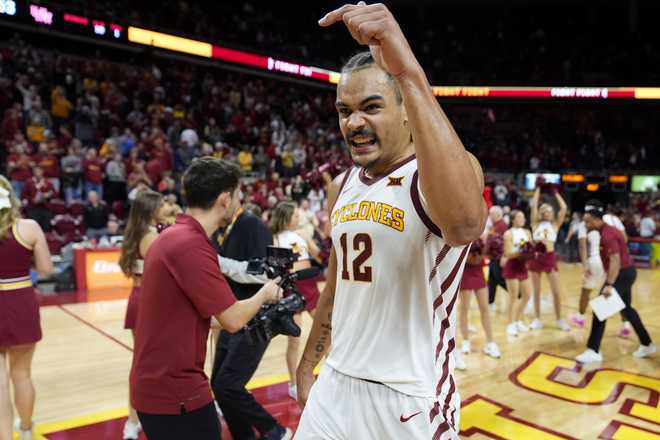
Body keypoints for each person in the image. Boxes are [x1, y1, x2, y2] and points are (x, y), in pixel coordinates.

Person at [296, 4, 487, 439]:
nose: (354, 123)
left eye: (371, 107)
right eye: (345, 111)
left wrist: (410, 74)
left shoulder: (437, 175)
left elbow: (463, 226)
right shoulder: (340, 185)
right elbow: (337, 285)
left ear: (407, 110)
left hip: (408, 399)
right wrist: (310, 363)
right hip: (337, 384)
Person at [129, 158, 283, 440]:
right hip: (176, 392)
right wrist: (266, 294)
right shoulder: (191, 244)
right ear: (225, 199)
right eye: (238, 195)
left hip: (158, 386)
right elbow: (233, 319)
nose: (240, 201)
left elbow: (190, 315)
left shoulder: (173, 236)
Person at [209, 196, 292, 440]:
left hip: (256, 318)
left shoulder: (252, 225)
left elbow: (267, 275)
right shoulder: (223, 230)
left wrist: (218, 263)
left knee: (228, 384)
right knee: (220, 386)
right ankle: (242, 435)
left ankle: (275, 431)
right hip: (232, 315)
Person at [0, 175, 53, 440]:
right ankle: (26, 430)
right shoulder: (29, 228)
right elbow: (46, 269)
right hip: (20, 300)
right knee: (22, 375)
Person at [575, 200, 655, 363]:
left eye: (587, 222)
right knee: (627, 310)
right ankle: (647, 343)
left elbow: (615, 260)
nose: (585, 225)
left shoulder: (607, 235)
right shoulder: (607, 231)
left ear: (597, 220)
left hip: (622, 274)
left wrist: (610, 284)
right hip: (627, 272)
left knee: (600, 310)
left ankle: (593, 350)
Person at [118, 190, 166, 440]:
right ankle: (137, 418)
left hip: (137, 297)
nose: (165, 207)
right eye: (161, 204)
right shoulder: (151, 236)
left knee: (140, 362)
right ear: (150, 209)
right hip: (151, 301)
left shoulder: (134, 233)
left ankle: (133, 419)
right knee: (152, 362)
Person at [269, 201, 321, 400]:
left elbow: (318, 255)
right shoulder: (274, 238)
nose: (298, 218)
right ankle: (293, 383)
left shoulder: (301, 234)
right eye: (295, 215)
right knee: (294, 340)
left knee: (326, 330)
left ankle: (325, 375)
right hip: (291, 288)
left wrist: (310, 238)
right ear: (286, 217)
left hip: (310, 285)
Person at [528, 186, 570, 331]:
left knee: (556, 291)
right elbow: (533, 205)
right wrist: (539, 189)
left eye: (550, 211)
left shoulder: (555, 224)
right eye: (546, 211)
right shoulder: (535, 224)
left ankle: (559, 319)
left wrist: (556, 193)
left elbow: (563, 208)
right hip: (536, 258)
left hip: (550, 258)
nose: (548, 213)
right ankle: (537, 319)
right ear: (542, 212)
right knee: (537, 291)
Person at [456, 238, 501, 371]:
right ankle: (465, 341)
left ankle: (490, 343)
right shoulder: (464, 234)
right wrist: (472, 255)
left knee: (485, 309)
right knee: (464, 308)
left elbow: (485, 257)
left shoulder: (484, 236)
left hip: (478, 273)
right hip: (466, 272)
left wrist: (484, 254)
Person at [501, 210, 533, 337]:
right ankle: (510, 324)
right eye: (520, 216)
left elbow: (530, 248)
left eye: (523, 216)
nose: (523, 219)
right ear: (513, 219)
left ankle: (518, 320)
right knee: (513, 297)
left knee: (527, 295)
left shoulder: (527, 232)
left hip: (523, 266)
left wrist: (531, 253)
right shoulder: (508, 233)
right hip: (512, 266)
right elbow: (508, 253)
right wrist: (521, 253)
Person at [485, 206, 508, 309]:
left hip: (499, 257)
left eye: (491, 214)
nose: (490, 216)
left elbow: (505, 242)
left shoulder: (502, 226)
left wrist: (505, 256)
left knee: (499, 279)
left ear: (498, 215)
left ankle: (520, 295)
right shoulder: (495, 225)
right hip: (493, 257)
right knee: (492, 280)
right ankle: (490, 302)